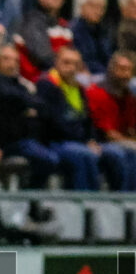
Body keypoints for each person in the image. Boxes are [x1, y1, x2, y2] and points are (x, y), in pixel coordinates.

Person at [0, 43, 59, 186]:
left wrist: (25, 105)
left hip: (25, 139)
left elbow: (41, 106)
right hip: (3, 142)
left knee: (52, 156)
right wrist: (26, 107)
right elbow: (8, 95)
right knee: (49, 159)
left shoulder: (20, 84)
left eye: (15, 60)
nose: (12, 64)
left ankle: (33, 194)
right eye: (7, 59)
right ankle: (33, 194)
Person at [36, 46, 103, 191]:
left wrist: (92, 139)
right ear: (56, 62)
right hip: (54, 142)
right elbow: (54, 123)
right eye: (66, 62)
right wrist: (84, 142)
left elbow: (87, 119)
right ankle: (84, 199)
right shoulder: (47, 84)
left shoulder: (78, 87)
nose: (71, 68)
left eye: (76, 64)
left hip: (78, 141)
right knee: (85, 154)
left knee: (120, 154)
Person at [87, 52, 136, 191]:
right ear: (111, 69)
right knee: (125, 153)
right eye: (122, 69)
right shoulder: (97, 93)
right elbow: (109, 135)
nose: (126, 75)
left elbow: (131, 130)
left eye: (129, 70)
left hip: (122, 142)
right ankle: (124, 198)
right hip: (99, 142)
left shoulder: (129, 97)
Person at [69, 0, 113, 80]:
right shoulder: (74, 29)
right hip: (85, 73)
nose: (98, 11)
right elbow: (83, 59)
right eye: (93, 6)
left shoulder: (103, 30)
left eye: (102, 7)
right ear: (82, 7)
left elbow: (108, 57)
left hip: (105, 73)